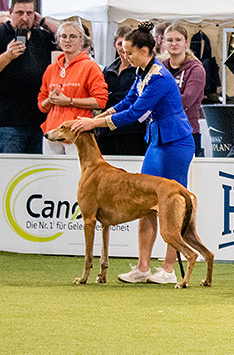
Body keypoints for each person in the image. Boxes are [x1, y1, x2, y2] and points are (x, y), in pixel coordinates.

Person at [70, 22, 195, 286]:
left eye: (130, 52)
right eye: (124, 51)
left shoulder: (159, 77)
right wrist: (102, 115)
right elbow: (127, 101)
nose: (125, 56)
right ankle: (143, 267)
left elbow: (135, 113)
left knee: (169, 207)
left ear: (146, 50)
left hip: (177, 143)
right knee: (144, 201)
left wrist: (93, 124)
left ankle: (169, 268)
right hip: (157, 141)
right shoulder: (141, 73)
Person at [37, 21, 108, 155]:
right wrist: (50, 100)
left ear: (82, 41)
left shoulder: (90, 67)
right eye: (63, 36)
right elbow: (42, 106)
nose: (67, 40)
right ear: (58, 40)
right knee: (50, 174)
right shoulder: (51, 69)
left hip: (77, 132)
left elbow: (100, 101)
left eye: (73, 36)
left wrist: (69, 101)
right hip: (52, 132)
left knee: (76, 174)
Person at [0, 0, 58, 154]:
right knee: (10, 174)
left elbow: (76, 39)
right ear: (10, 12)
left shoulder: (43, 37)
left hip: (40, 121)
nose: (25, 18)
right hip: (9, 122)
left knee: (36, 174)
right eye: (19, 13)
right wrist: (7, 56)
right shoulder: (1, 34)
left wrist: (44, 22)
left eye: (29, 13)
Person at [97, 24, 149, 156]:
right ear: (115, 44)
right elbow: (100, 96)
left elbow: (136, 97)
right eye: (120, 44)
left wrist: (110, 96)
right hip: (107, 131)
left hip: (132, 131)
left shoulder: (141, 70)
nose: (123, 48)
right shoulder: (108, 70)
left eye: (128, 45)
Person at [162, 22, 207, 157]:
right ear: (164, 43)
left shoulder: (196, 69)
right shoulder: (160, 68)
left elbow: (186, 100)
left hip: (186, 133)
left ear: (186, 43)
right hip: (162, 133)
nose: (174, 44)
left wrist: (157, 101)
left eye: (178, 40)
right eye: (170, 40)